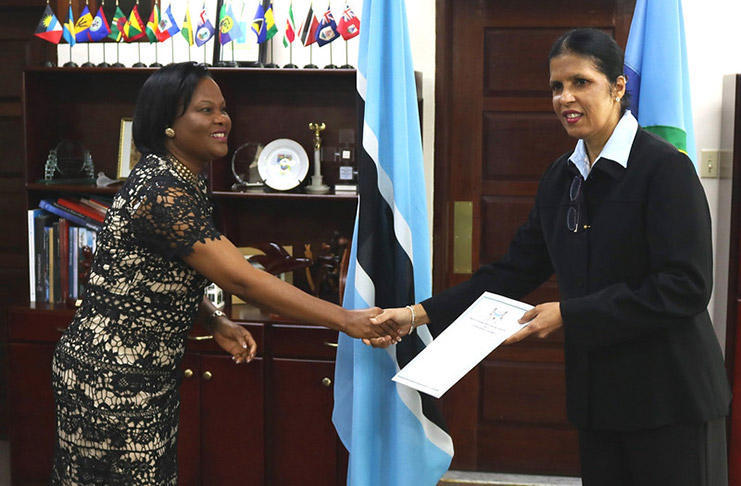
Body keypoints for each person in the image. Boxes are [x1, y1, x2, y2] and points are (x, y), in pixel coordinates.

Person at [371, 29, 731, 485]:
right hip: (598, 401)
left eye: (581, 82)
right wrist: (417, 314)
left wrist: (568, 314)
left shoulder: (665, 169)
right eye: (557, 86)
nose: (565, 98)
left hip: (670, 400)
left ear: (618, 88)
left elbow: (686, 286)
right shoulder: (560, 179)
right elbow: (513, 271)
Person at [51, 62, 400, 485]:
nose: (222, 120)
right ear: (168, 125)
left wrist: (213, 319)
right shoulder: (161, 190)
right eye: (205, 110)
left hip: (145, 373)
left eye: (223, 108)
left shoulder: (184, 180)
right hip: (111, 378)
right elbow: (241, 278)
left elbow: (150, 280)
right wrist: (346, 320)